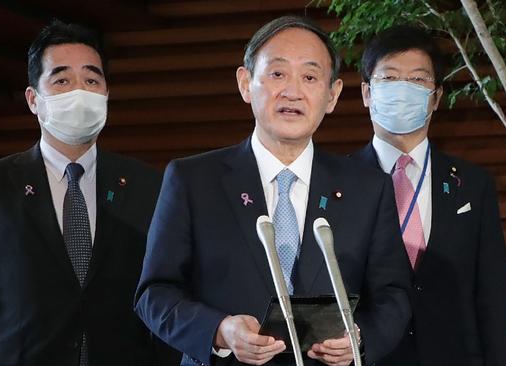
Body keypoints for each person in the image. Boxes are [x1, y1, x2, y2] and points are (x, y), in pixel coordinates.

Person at [134, 15, 411, 366]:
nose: (292, 91)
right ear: (245, 83)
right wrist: (220, 330)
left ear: (333, 95)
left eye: (310, 77)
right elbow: (154, 293)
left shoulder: (367, 187)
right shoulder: (192, 180)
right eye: (277, 74)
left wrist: (361, 338)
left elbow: (393, 296)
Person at [0, 19, 180, 366]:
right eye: (61, 80)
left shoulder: (148, 184)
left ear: (105, 95)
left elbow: (163, 295)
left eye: (91, 79)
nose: (79, 92)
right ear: (33, 99)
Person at [351, 25, 506, 365]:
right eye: (389, 79)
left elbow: (494, 298)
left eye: (417, 80)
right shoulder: (339, 184)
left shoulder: (472, 185)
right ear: (367, 93)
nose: (403, 90)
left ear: (437, 96)